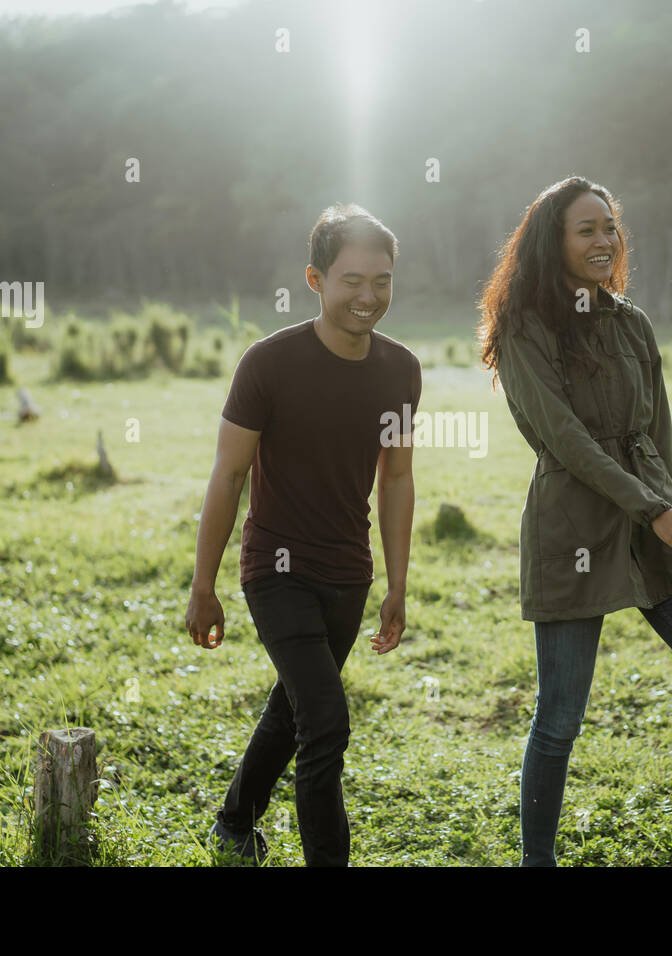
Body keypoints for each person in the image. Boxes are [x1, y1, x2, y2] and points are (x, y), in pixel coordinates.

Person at [477, 176, 672, 867]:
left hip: (655, 524)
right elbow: (564, 441)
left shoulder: (632, 323)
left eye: (610, 227)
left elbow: (658, 434)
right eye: (586, 229)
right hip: (574, 527)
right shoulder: (524, 327)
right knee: (560, 719)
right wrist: (654, 509)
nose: (604, 240)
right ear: (554, 241)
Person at [185, 203, 420, 867]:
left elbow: (397, 478)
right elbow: (228, 476)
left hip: (349, 572)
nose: (368, 295)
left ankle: (234, 822)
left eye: (382, 279)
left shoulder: (401, 370)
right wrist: (203, 587)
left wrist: (398, 583)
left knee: (294, 711)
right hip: (276, 570)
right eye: (352, 280)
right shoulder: (269, 363)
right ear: (315, 280)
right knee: (326, 721)